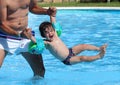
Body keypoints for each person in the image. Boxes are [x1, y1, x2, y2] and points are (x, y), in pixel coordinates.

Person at [0, 0, 56, 77]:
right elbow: (1, 24)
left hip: (26, 35)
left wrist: (47, 12)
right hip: (4, 37)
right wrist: (18, 34)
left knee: (40, 72)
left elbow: (33, 7)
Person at [29, 13, 107, 65]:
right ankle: (99, 56)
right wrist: (29, 35)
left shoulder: (55, 35)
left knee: (83, 46)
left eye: (51, 31)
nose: (50, 33)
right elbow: (36, 41)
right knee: (82, 58)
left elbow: (53, 22)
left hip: (70, 51)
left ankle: (98, 48)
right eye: (47, 32)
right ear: (43, 35)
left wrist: (52, 14)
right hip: (67, 59)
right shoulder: (47, 43)